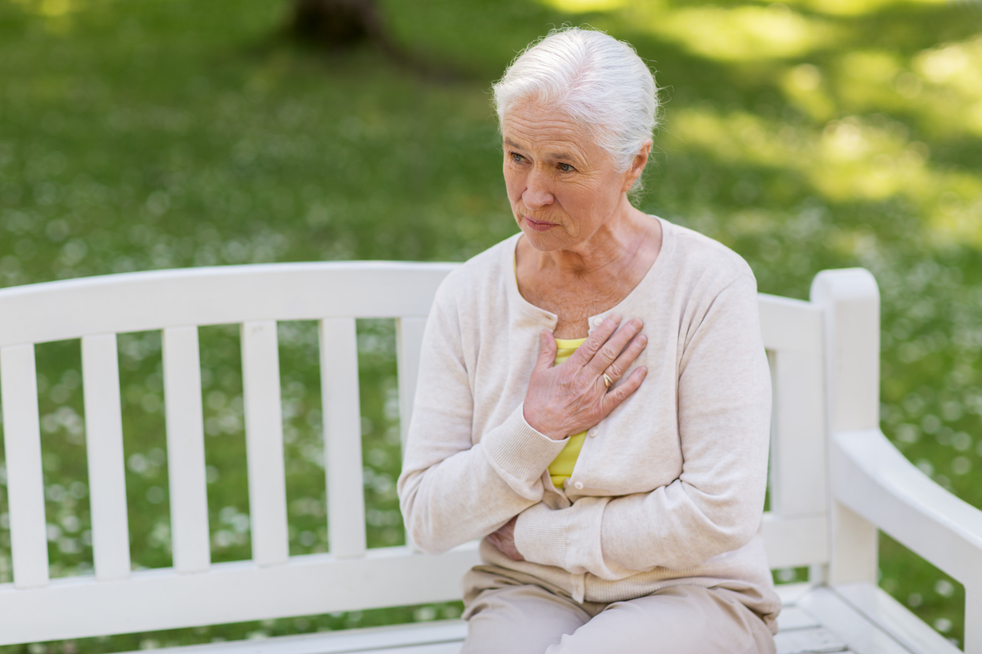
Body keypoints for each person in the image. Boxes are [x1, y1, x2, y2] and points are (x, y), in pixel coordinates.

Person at [397, 26, 780, 654]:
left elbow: (719, 510)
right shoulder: (469, 296)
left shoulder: (708, 286)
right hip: (527, 591)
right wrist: (535, 429)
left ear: (634, 163)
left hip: (693, 594)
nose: (531, 193)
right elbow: (430, 517)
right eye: (516, 155)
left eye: (564, 165)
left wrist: (539, 537)